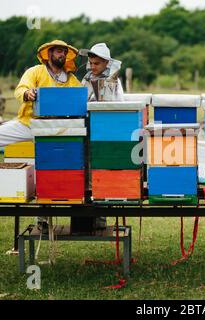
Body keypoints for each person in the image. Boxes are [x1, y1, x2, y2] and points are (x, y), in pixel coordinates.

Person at [0, 39, 82, 162]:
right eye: (59, 51)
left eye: (65, 53)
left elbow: (80, 97)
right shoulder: (35, 71)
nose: (63, 55)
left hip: (57, 128)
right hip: (28, 124)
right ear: (49, 54)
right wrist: (27, 93)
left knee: (58, 165)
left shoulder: (71, 79)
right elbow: (20, 89)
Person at [78, 43, 124, 230]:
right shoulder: (86, 78)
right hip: (87, 128)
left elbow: (118, 104)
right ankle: (85, 218)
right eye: (90, 62)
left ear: (106, 63)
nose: (92, 66)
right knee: (87, 172)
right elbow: (80, 100)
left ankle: (101, 219)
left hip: (105, 129)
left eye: (96, 63)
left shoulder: (114, 81)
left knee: (102, 173)